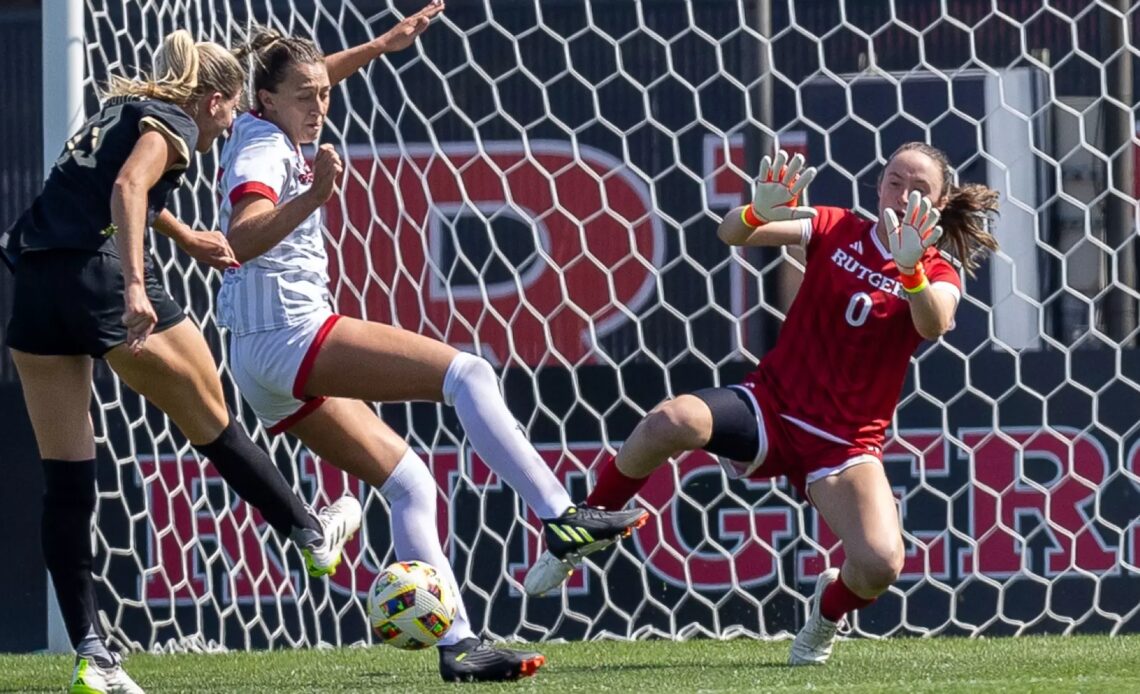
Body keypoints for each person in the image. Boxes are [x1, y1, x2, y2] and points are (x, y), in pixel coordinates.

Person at [219, 4, 647, 682]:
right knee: (469, 374)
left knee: (410, 481)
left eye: (325, 95)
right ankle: (562, 516)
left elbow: (317, 76)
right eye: (306, 98)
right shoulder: (262, 148)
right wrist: (316, 197)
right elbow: (241, 239)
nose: (321, 107)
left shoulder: (269, 118)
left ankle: (460, 648)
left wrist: (381, 45)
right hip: (289, 333)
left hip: (255, 360)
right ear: (265, 98)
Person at [526, 145, 1000, 665]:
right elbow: (732, 233)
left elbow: (934, 323)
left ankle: (826, 614)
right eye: (893, 180)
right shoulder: (839, 226)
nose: (902, 194)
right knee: (670, 419)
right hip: (772, 406)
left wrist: (911, 271)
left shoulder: (939, 271)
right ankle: (583, 529)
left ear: (941, 200)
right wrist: (756, 211)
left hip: (844, 444)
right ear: (878, 183)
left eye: (919, 188)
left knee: (881, 564)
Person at [2, 32, 362, 694]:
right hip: (101, 278)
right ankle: (310, 535)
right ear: (214, 101)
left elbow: (99, 181)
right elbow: (128, 186)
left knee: (68, 480)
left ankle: (92, 656)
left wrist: (186, 235)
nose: (229, 129)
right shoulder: (171, 118)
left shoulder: (127, 109)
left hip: (33, 285)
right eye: (228, 116)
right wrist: (137, 286)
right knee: (214, 422)